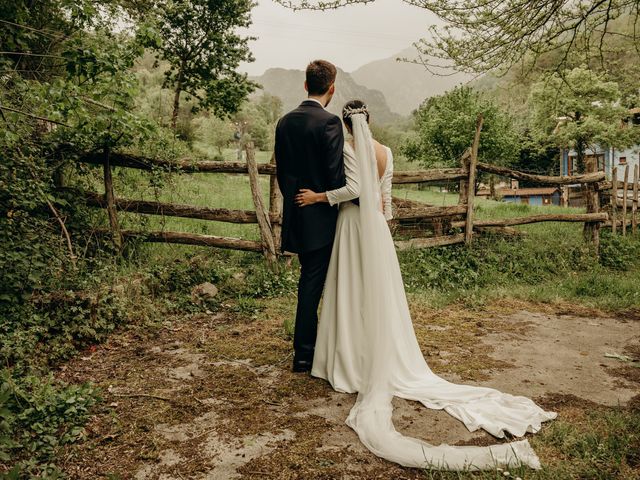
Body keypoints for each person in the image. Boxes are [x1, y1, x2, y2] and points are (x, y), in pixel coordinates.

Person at [294, 101, 557, 470]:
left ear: (346, 124)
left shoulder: (350, 149)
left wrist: (320, 197)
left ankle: (353, 358)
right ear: (370, 120)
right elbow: (383, 198)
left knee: (353, 294)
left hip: (354, 225)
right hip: (378, 229)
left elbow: (356, 188)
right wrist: (380, 226)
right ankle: (378, 350)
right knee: (378, 296)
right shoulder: (386, 151)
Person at [273, 60, 345, 373]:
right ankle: (305, 355)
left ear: (305, 85)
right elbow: (335, 176)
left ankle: (312, 349)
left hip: (297, 217)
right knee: (313, 287)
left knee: (309, 283)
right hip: (323, 219)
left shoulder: (284, 122)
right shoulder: (330, 123)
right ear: (332, 88)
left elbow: (282, 172)